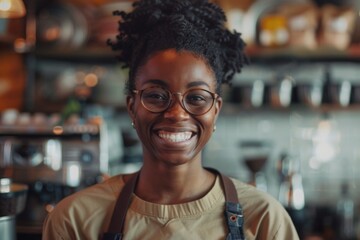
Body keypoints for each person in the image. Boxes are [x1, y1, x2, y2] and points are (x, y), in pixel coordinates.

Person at [42, 0, 300, 239]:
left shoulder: (265, 219)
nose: (176, 113)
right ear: (132, 107)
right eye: (156, 96)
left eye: (197, 98)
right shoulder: (74, 220)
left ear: (215, 110)